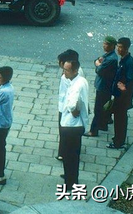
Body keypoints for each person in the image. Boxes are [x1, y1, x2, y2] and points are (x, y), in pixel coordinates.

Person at [59, 59, 89, 190]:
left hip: (71, 126)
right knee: (74, 155)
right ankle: (72, 178)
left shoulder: (76, 85)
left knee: (68, 155)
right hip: (77, 125)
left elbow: (73, 103)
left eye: (67, 70)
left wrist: (73, 109)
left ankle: (70, 183)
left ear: (75, 70)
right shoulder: (81, 80)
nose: (64, 72)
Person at [85, 36, 118, 137]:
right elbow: (98, 59)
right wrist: (98, 62)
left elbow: (99, 70)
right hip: (104, 85)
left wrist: (98, 64)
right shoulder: (109, 55)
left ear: (113, 46)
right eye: (104, 43)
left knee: (98, 109)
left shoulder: (111, 59)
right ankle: (103, 124)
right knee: (104, 106)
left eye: (107, 44)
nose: (104, 45)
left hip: (104, 86)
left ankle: (93, 130)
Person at [108, 37, 133, 149]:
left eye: (120, 47)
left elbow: (131, 80)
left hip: (123, 97)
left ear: (126, 48)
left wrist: (123, 88)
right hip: (119, 95)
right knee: (118, 118)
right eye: (117, 47)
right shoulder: (123, 59)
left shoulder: (129, 62)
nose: (118, 49)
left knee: (120, 119)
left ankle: (118, 142)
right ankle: (118, 139)